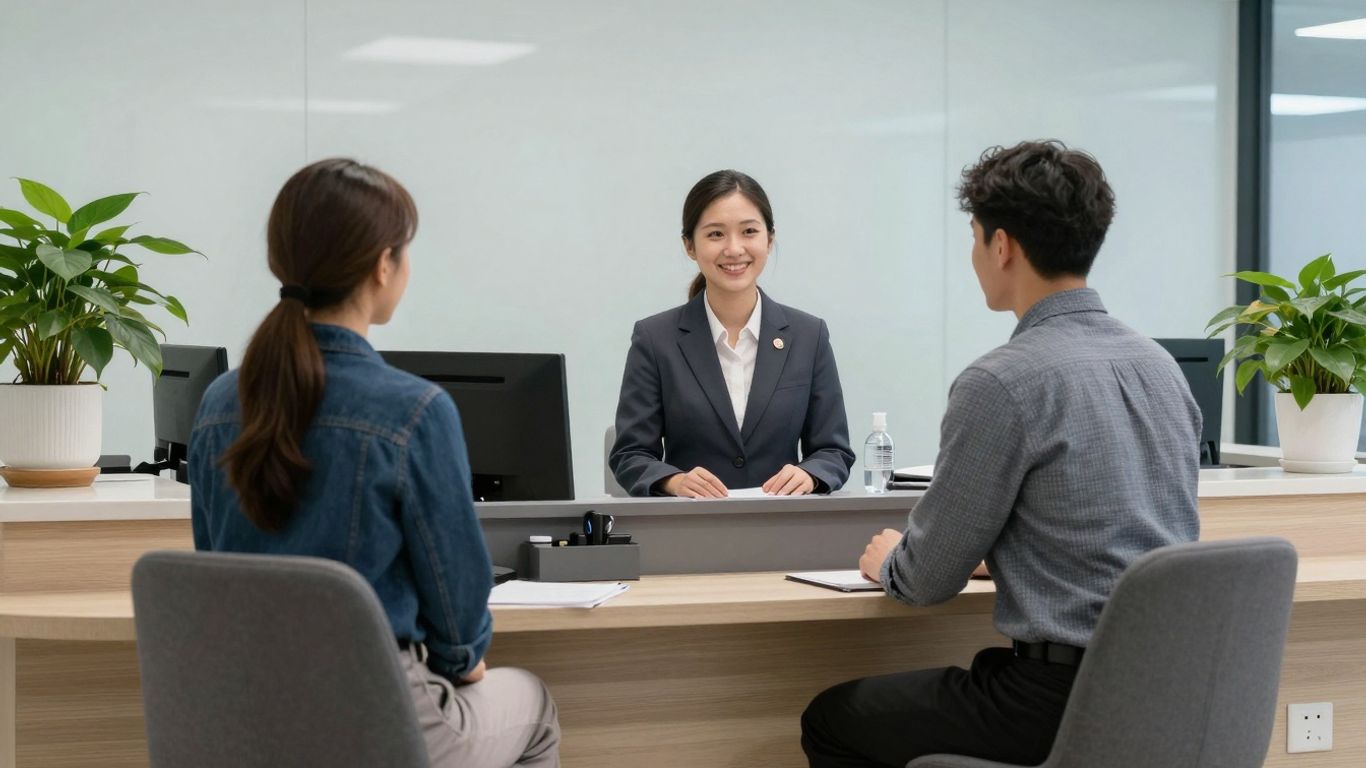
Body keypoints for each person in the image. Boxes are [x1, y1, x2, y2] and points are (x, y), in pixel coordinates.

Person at [800, 140, 1201, 766]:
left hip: (1055, 702)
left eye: (974, 238)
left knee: (834, 718)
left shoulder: (1001, 381)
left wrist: (890, 563)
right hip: (1169, 692)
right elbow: (1118, 529)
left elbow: (925, 583)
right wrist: (1018, 556)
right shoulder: (1160, 367)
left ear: (1002, 245)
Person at [189, 158, 560, 767]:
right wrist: (464, 660)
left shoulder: (218, 403)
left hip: (246, 717)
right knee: (534, 707)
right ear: (383, 264)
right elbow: (459, 618)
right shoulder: (414, 410)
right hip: (377, 721)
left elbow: (214, 574)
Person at [609, 169, 855, 498]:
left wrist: (810, 475)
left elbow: (834, 451)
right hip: (689, 531)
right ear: (689, 246)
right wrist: (675, 481)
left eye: (749, 231)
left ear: (769, 239)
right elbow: (631, 454)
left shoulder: (809, 336)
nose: (734, 248)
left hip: (784, 530)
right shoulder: (655, 339)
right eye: (715, 234)